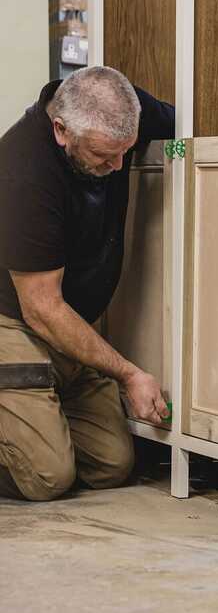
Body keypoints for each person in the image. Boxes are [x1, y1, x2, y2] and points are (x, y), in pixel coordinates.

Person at [0, 66, 174, 501]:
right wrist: (129, 374)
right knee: (46, 478)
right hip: (12, 320)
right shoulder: (22, 174)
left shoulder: (117, 107)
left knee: (112, 465)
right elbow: (41, 308)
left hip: (65, 319)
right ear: (61, 131)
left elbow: (186, 124)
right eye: (103, 156)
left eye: (124, 153)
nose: (118, 167)